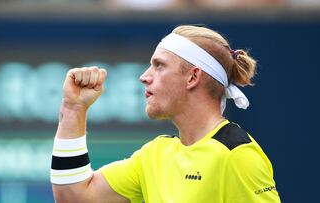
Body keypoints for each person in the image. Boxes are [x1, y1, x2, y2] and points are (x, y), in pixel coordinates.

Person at [50, 25, 281, 203]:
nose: (144, 76)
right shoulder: (154, 155)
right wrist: (73, 108)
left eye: (159, 66)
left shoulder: (237, 156)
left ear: (192, 77)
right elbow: (74, 196)